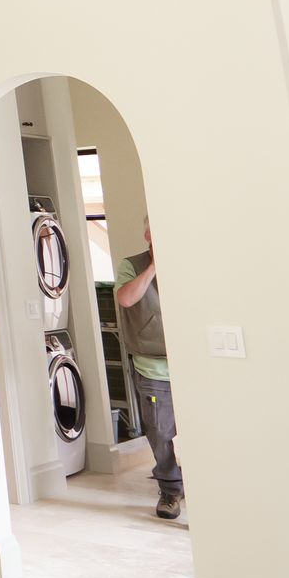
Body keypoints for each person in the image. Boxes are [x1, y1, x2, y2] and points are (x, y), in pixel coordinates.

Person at [115, 216, 180, 519]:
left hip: (192, 365)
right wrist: (155, 266)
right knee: (160, 432)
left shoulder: (189, 258)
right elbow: (127, 299)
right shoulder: (132, 264)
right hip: (153, 366)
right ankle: (170, 491)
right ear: (147, 234)